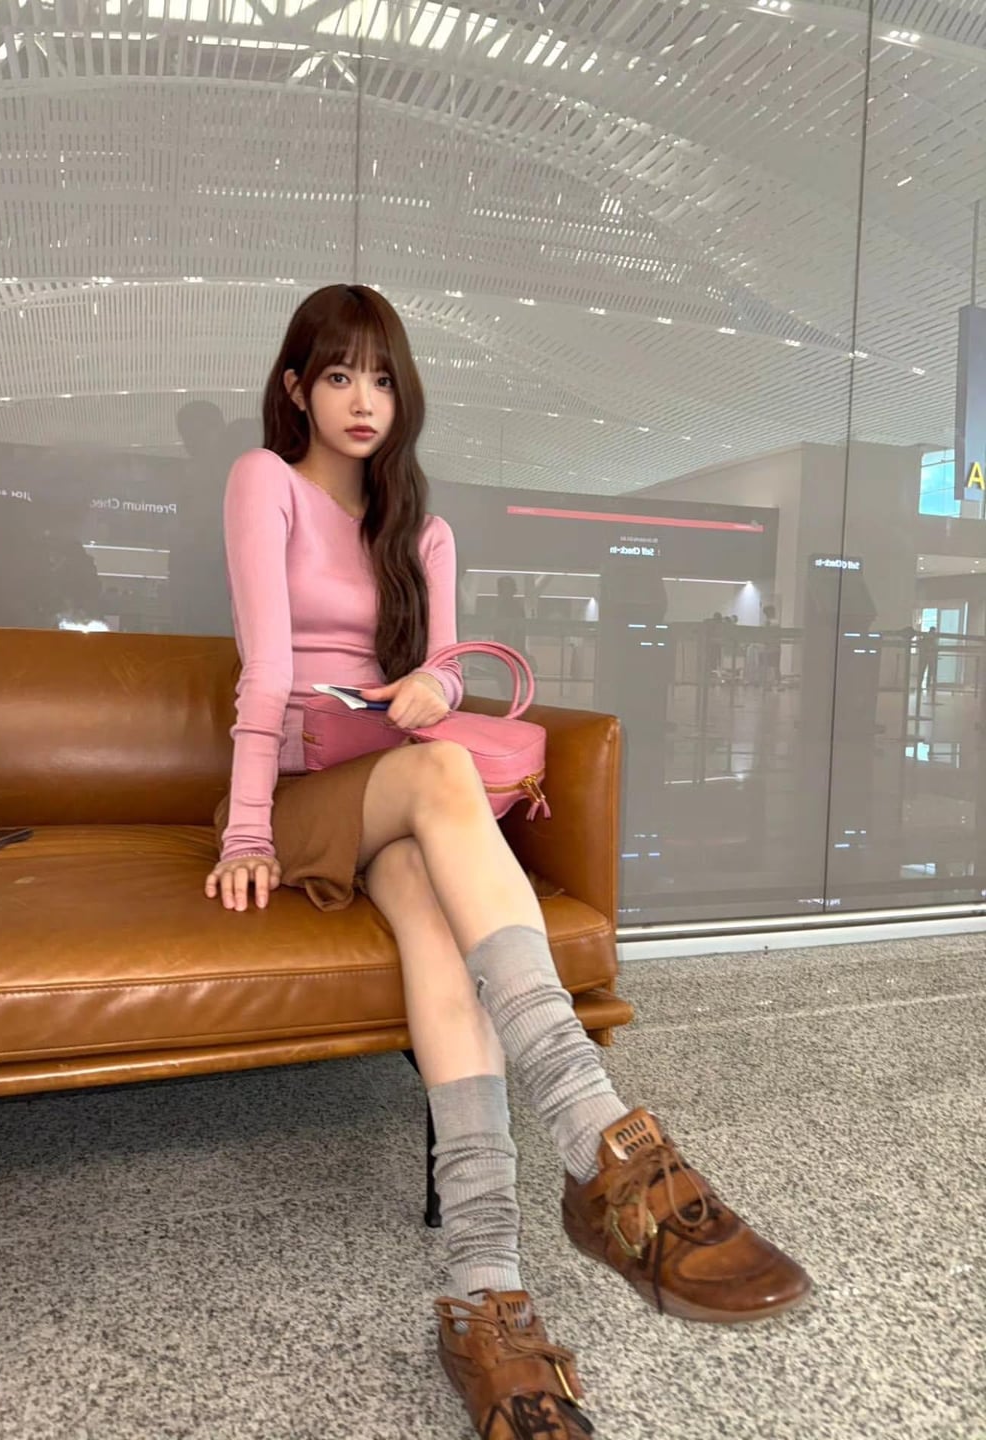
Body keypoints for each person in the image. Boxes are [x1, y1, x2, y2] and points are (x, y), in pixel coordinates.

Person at [203, 285, 811, 1439]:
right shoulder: (263, 483)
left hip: (397, 785)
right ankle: (600, 1136)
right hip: (305, 794)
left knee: (435, 921)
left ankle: (487, 1294)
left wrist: (435, 684)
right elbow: (267, 672)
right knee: (440, 779)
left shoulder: (422, 530)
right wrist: (244, 833)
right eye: (338, 375)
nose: (363, 400)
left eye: (383, 378)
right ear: (295, 389)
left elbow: (441, 678)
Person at [918, 625, 939, 697]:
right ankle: (926, 684)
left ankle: (924, 684)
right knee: (926, 671)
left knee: (924, 671)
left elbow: (920, 643)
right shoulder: (931, 638)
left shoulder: (927, 637)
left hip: (926, 657)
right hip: (929, 657)